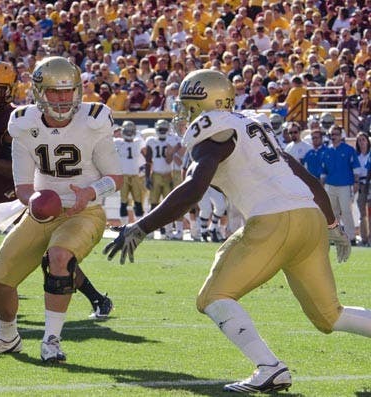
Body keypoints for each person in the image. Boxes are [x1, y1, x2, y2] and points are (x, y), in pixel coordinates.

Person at [104, 69, 371, 393]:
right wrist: (332, 225)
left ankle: (270, 367)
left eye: (189, 106)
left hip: (274, 220)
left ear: (207, 104)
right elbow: (306, 179)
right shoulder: (252, 124)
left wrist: (141, 226)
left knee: (213, 297)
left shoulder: (212, 127)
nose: (186, 114)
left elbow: (195, 187)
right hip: (309, 218)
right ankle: (271, 368)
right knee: (330, 316)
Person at [0, 57, 123, 362]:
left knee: (60, 257)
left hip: (85, 211)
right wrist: (37, 203)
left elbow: (115, 178)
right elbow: (24, 186)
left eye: (68, 91)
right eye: (55, 92)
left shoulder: (94, 119)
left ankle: (51, 340)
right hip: (42, 212)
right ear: (39, 92)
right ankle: (7, 337)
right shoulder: (24, 123)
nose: (63, 99)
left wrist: (89, 192)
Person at [320, 125, 361, 245]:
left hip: (344, 186)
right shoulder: (326, 151)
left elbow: (356, 169)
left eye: (336, 134)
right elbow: (323, 172)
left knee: (346, 211)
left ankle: (351, 237)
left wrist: (356, 183)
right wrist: (323, 188)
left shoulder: (349, 150)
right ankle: (335, 237)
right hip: (330, 186)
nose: (334, 137)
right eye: (332, 134)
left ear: (341, 135)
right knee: (333, 213)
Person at [144, 119, 183, 239]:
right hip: (156, 174)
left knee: (168, 205)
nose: (162, 131)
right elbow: (148, 161)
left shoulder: (172, 140)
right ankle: (150, 230)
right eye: (160, 129)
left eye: (164, 129)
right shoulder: (151, 141)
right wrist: (147, 178)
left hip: (168, 174)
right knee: (154, 204)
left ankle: (167, 231)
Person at [114, 120, 146, 225]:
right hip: (124, 176)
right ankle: (123, 225)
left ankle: (139, 225)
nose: (128, 133)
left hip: (136, 175)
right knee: (123, 202)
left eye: (130, 131)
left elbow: (147, 156)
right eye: (126, 131)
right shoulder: (117, 142)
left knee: (138, 202)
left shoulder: (138, 141)